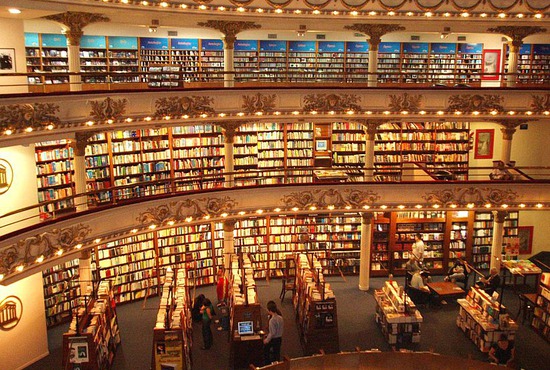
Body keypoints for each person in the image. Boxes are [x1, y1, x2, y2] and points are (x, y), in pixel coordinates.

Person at [263, 300, 284, 365]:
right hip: (279, 338)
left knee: (266, 349)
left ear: (269, 310)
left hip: (274, 339)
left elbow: (272, 333)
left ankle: (268, 364)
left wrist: (266, 340)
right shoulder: (280, 318)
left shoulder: (272, 320)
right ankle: (277, 365)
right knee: (277, 353)